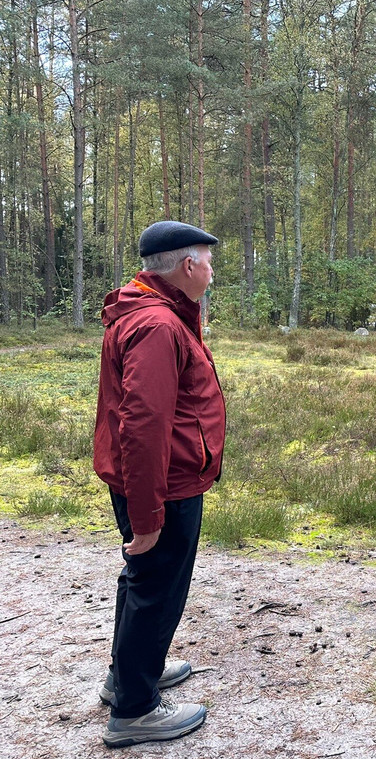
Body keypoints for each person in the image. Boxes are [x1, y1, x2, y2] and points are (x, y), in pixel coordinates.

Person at [93, 220, 225, 747]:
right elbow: (144, 424)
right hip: (162, 483)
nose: (212, 270)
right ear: (188, 266)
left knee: (144, 580)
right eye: (209, 261)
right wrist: (148, 516)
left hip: (156, 477)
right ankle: (135, 710)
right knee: (156, 589)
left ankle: (127, 676)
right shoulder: (158, 326)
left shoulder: (156, 313)